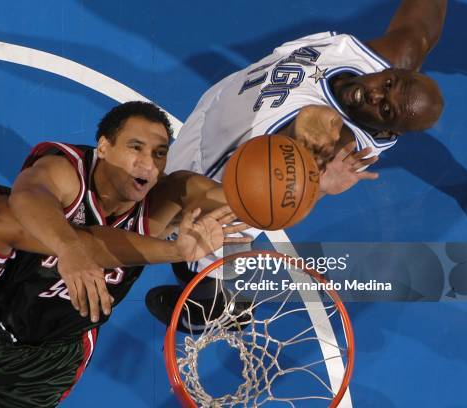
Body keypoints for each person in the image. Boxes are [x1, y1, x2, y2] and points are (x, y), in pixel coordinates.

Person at [0, 101, 252, 407]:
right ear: (104, 146)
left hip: (33, 365)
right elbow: (28, 198)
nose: (148, 164)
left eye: (160, 153)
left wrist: (288, 192)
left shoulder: (166, 199)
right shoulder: (65, 174)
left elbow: (234, 199)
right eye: (136, 148)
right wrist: (70, 247)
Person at [147, 0, 448, 330]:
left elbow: (302, 154)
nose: (377, 95)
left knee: (190, 239)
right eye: (387, 84)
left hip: (224, 173)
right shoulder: (393, 54)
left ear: (388, 130)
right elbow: (421, 28)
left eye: (386, 110)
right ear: (393, 70)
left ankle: (208, 307)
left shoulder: (337, 144)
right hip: (220, 107)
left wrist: (317, 182)